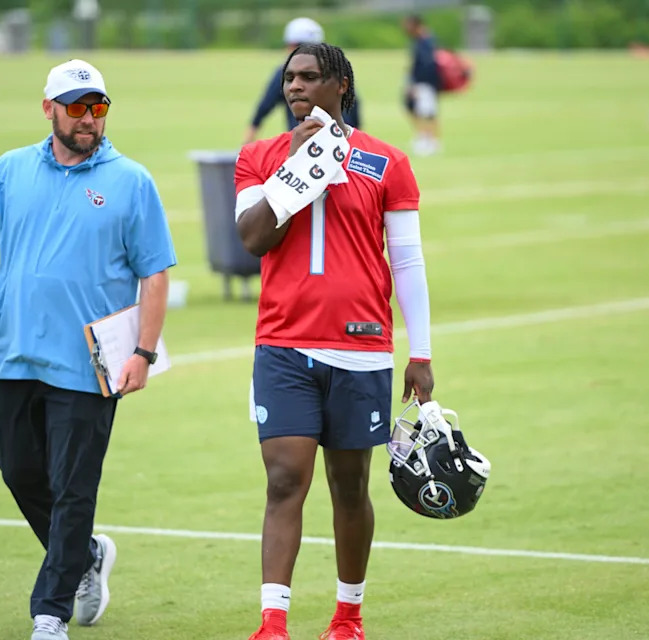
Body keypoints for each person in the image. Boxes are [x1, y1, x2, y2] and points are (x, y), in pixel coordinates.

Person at [0, 59, 177, 640]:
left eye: (97, 107)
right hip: (17, 354)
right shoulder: (10, 169)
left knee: (75, 487)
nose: (88, 119)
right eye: (75, 107)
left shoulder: (131, 180)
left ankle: (50, 614)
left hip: (92, 367)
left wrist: (143, 354)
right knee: (20, 470)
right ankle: (86, 555)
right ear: (48, 108)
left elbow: (155, 274)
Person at [234, 43, 435, 640]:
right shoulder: (257, 157)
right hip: (284, 345)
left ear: (340, 84)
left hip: (362, 349)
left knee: (350, 487)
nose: (294, 87)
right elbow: (251, 238)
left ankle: (348, 616)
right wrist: (295, 168)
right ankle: (273, 622)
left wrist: (420, 353)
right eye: (289, 78)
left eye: (309, 77)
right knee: (284, 479)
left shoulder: (387, 162)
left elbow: (408, 262)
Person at [243, 17, 361, 145]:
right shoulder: (338, 74)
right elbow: (355, 116)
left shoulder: (283, 73)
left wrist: (246, 144)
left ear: (292, 46)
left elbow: (263, 109)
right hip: (343, 146)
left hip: (303, 146)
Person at [402, 14, 442, 156]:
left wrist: (416, 84)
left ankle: (430, 141)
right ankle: (424, 138)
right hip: (423, 83)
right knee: (419, 111)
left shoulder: (426, 42)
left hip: (425, 83)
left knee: (427, 113)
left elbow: (426, 66)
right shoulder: (421, 41)